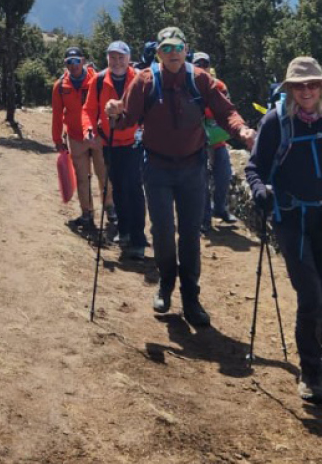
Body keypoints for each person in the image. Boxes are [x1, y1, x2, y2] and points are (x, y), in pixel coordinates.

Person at [105, 26, 254, 326]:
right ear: (158, 52)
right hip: (157, 167)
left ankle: (191, 296)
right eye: (166, 49)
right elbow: (127, 122)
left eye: (177, 48)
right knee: (161, 231)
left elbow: (226, 112)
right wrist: (113, 113)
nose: (172, 54)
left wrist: (242, 130)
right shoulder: (145, 81)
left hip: (192, 167)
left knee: (189, 233)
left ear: (186, 50)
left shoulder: (200, 79)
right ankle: (166, 283)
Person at [245, 57, 322, 404]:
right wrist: (260, 191)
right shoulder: (276, 123)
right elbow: (255, 167)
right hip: (291, 219)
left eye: (313, 84)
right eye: (299, 86)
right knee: (311, 295)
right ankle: (311, 372)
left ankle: (316, 349)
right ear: (289, 89)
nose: (307, 91)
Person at [83, 40, 147, 259]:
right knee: (118, 187)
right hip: (109, 141)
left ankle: (138, 238)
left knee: (134, 188)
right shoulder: (99, 81)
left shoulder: (140, 79)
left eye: (121, 57)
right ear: (107, 59)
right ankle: (125, 230)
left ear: (129, 58)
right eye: (112, 57)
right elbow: (89, 109)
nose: (117, 61)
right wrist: (89, 129)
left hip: (134, 142)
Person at [52, 46, 109, 233]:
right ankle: (87, 214)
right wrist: (57, 139)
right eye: (70, 62)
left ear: (83, 61)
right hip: (76, 137)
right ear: (65, 64)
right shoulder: (60, 86)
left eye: (77, 61)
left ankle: (111, 211)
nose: (74, 65)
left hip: (98, 135)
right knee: (82, 178)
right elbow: (57, 114)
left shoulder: (98, 80)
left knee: (104, 175)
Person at [192, 52, 239, 232]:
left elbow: (225, 109)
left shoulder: (219, 86)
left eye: (205, 63)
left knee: (223, 174)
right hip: (198, 140)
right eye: (198, 64)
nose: (202, 67)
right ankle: (204, 218)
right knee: (201, 178)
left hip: (217, 139)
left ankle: (220, 209)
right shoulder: (189, 86)